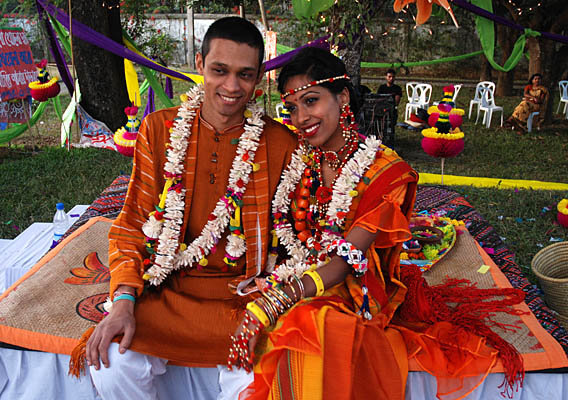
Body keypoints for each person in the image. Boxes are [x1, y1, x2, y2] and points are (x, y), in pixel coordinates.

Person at [228, 47, 525, 400]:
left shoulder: (386, 170)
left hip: (357, 288)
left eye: (311, 101)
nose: (301, 117)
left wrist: (277, 300)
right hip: (301, 271)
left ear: (342, 97)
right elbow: (290, 231)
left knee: (309, 327)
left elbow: (344, 259)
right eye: (292, 108)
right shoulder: (301, 160)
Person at [71, 17, 298, 399]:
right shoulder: (159, 130)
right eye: (219, 70)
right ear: (198, 64)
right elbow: (131, 225)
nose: (231, 86)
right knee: (111, 362)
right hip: (166, 293)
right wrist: (125, 300)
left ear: (259, 79)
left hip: (245, 301)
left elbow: (295, 239)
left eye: (245, 75)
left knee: (267, 383)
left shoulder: (280, 143)